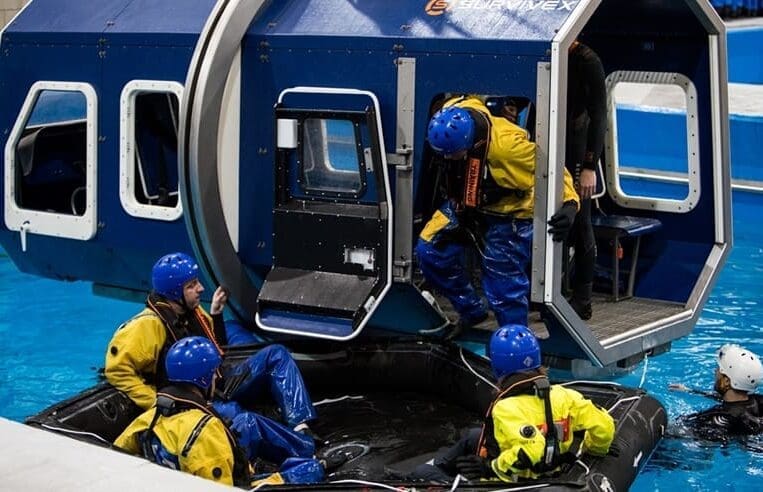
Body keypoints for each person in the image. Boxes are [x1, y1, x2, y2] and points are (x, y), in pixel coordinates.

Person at [105, 252, 319, 472]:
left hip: (217, 382)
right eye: (192, 285)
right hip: (192, 398)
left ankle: (300, 425)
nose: (201, 288)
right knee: (237, 415)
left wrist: (216, 314)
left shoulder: (193, 312)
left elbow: (216, 349)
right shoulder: (148, 325)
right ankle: (258, 463)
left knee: (276, 354)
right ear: (173, 292)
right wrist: (154, 401)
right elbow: (117, 370)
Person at [416, 96, 580, 336]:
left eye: (453, 154)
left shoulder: (509, 149)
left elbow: (551, 168)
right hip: (466, 205)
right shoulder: (455, 113)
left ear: (469, 142)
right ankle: (471, 311)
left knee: (504, 284)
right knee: (428, 250)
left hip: (512, 213)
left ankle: (515, 341)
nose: (448, 159)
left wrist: (570, 203)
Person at [410, 325, 615, 483]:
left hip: (509, 481)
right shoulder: (564, 395)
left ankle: (432, 472)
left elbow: (532, 450)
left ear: (497, 366)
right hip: (554, 470)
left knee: (421, 473)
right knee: (474, 436)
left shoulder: (506, 408)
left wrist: (490, 468)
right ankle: (440, 465)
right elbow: (604, 426)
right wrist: (596, 451)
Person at [115, 336, 323, 487]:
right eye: (213, 373)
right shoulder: (206, 430)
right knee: (310, 470)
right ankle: (310, 456)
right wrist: (272, 478)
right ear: (204, 379)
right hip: (226, 483)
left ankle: (304, 445)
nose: (217, 377)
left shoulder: (149, 417)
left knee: (247, 421)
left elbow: (117, 451)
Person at [564, 40, 607, 320]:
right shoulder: (544, 48)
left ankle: (583, 299)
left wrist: (590, 165)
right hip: (554, 137)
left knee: (581, 219)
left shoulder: (587, 59)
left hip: (579, 146)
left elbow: (600, 113)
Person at [671, 344, 763, 438]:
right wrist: (689, 390)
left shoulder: (719, 417)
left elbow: (678, 430)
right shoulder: (758, 401)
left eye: (719, 370)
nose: (715, 371)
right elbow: (730, 403)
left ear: (727, 381)